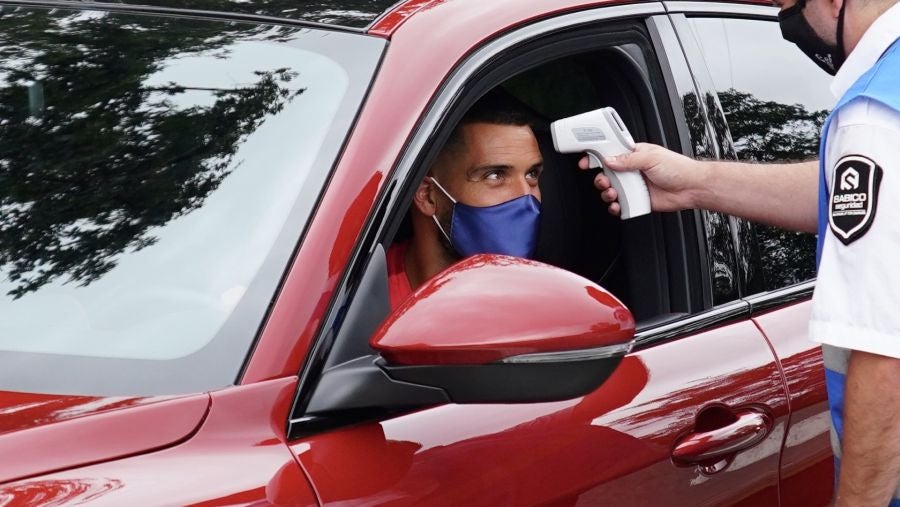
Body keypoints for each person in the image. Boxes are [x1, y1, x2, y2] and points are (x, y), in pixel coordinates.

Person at [586, 0, 900, 503]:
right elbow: (854, 196)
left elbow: (888, 356)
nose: (784, 13)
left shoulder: (875, 116)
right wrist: (695, 184)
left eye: (787, 1)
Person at [387, 92, 544, 309]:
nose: (526, 198)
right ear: (428, 195)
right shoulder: (358, 303)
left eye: (532, 174)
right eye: (495, 175)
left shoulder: (542, 302)